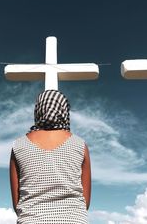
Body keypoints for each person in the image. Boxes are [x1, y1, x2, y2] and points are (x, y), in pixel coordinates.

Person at [10, 89, 91, 224]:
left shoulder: (18, 146)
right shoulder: (80, 145)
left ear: (38, 110)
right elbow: (85, 201)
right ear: (64, 111)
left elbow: (17, 203)